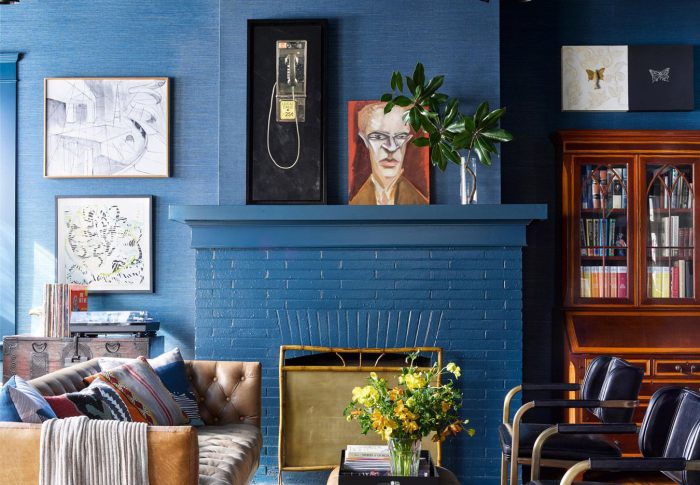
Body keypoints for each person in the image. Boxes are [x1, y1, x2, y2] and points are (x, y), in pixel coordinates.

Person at [350, 102, 429, 205]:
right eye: (379, 137)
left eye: (400, 136)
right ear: (365, 140)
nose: (391, 147)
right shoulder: (354, 204)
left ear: (407, 140)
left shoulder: (421, 203)